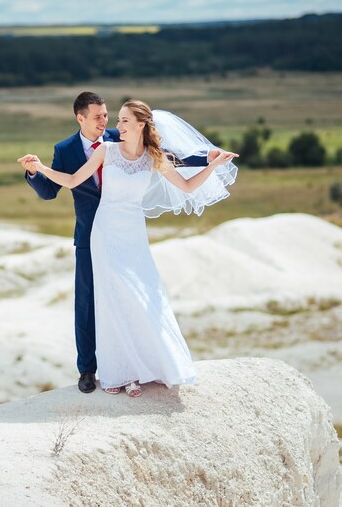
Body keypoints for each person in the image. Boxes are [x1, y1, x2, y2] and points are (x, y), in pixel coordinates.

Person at [20, 99, 238, 397]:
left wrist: (210, 160)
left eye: (115, 118)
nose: (110, 124)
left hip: (133, 234)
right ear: (80, 118)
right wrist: (38, 169)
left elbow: (177, 167)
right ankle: (95, 370)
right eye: (102, 117)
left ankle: (142, 365)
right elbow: (65, 184)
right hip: (98, 232)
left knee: (141, 296)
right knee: (94, 302)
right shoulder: (85, 149)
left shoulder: (135, 147)